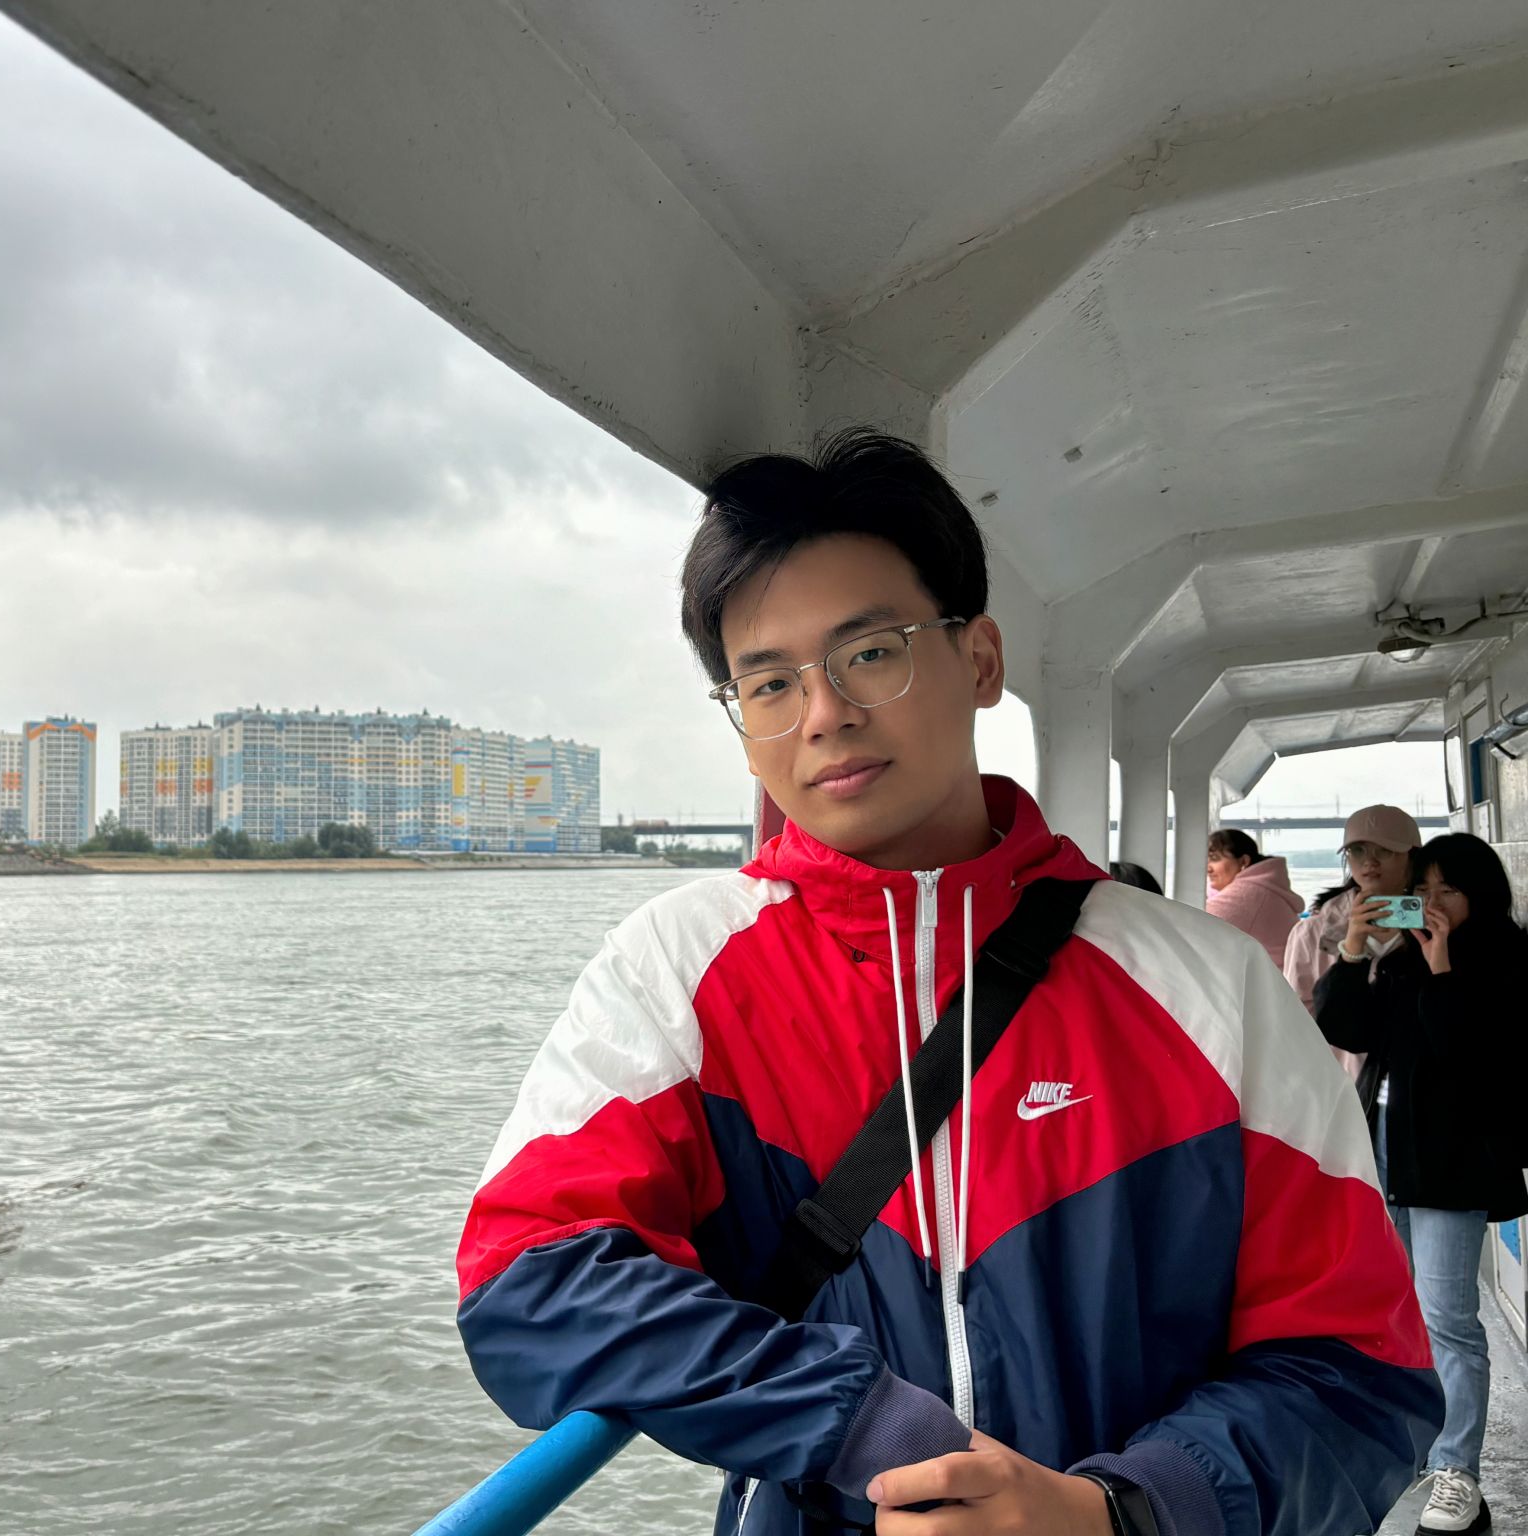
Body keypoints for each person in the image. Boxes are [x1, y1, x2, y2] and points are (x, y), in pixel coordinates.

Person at [456, 430, 1438, 1536]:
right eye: (768, 684)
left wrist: (1117, 1513)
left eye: (869, 653)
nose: (822, 714)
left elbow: (1362, 1369)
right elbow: (524, 1276)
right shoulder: (675, 972)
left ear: (979, 660)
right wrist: (860, 1425)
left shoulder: (1211, 987)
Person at [1314, 833, 1528, 1536]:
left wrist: (1442, 971)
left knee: (1448, 1320)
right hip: (1384, 1158)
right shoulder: (1402, 958)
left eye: (1448, 891)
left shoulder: (1505, 961)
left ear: (1479, 896)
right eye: (1423, 890)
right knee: (1390, 1310)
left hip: (1449, 1168)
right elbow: (1344, 1029)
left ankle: (1458, 1471)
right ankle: (1412, 1449)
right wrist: (1353, 950)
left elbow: (1467, 1059)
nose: (1431, 904)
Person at [1282, 806, 1419, 1085]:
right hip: (1339, 1088)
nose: (1370, 861)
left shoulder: (1437, 926)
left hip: (1416, 1088)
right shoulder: (1312, 931)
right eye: (1357, 851)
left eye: (1385, 850)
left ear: (1412, 856)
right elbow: (1294, 1018)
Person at [1204, 828, 1302, 963]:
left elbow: (1193, 926)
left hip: (1270, 976)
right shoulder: (1263, 888)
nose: (1207, 868)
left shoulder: (1249, 894)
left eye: (1214, 859)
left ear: (1243, 862)